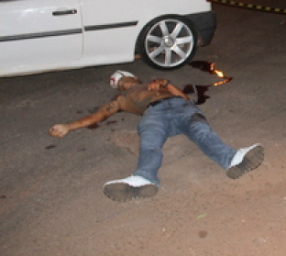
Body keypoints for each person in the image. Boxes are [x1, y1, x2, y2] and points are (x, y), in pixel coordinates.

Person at [49, 70, 264, 202]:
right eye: (117, 82)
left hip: (181, 106)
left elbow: (186, 99)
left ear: (134, 77)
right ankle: (143, 178)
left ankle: (233, 159)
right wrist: (68, 126)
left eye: (122, 77)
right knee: (149, 142)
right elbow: (97, 116)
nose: (120, 82)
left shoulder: (156, 83)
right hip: (154, 113)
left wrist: (166, 83)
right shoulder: (121, 100)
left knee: (201, 131)